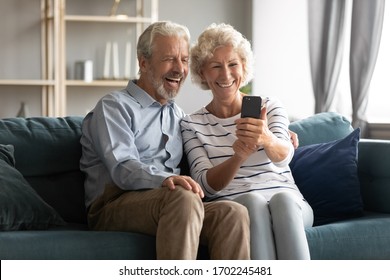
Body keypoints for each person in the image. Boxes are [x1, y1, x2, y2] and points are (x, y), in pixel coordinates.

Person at [79, 21, 250, 260]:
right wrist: (168, 179)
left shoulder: (177, 115)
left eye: (183, 60)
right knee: (181, 196)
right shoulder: (114, 106)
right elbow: (122, 168)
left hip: (171, 203)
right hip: (113, 204)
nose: (179, 69)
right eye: (169, 59)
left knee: (232, 212)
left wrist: (274, 134)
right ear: (143, 62)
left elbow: (207, 143)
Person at [181, 23, 313, 260]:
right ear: (202, 73)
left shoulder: (269, 105)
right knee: (250, 203)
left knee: (283, 199)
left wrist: (267, 138)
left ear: (244, 67)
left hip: (290, 205)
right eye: (215, 66)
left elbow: (284, 157)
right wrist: (238, 157)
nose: (226, 74)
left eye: (233, 64)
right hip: (236, 207)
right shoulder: (192, 125)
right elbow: (206, 185)